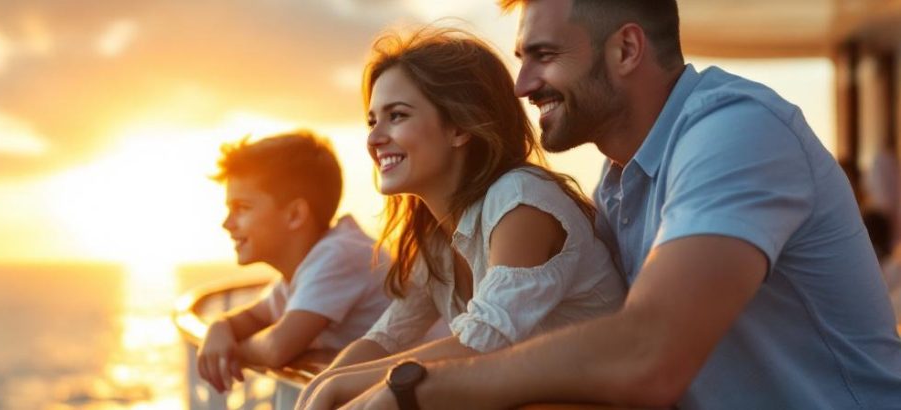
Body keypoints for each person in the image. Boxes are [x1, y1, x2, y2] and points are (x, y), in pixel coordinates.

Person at [334, 0, 901, 409]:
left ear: (626, 48)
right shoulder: (618, 182)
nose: (521, 85)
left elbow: (647, 352)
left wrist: (415, 388)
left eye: (544, 55)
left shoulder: (736, 132)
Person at [296, 26, 625, 409]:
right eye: (372, 122)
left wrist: (339, 389)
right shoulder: (439, 232)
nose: (374, 139)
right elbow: (386, 338)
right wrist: (325, 383)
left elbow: (483, 341)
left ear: (459, 127)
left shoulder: (521, 201)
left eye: (396, 116)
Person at [197, 130, 391, 394]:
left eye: (242, 208)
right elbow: (255, 316)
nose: (227, 223)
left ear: (295, 215)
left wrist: (234, 351)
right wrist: (220, 327)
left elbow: (277, 347)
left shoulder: (339, 255)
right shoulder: (307, 266)